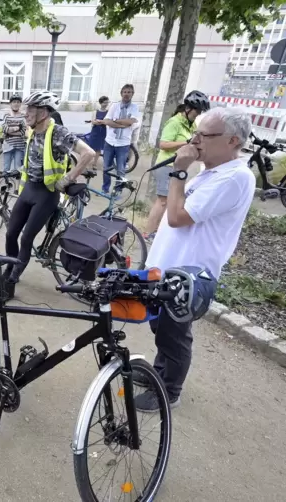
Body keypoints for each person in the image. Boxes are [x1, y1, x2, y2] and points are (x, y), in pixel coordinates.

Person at [135, 106, 255, 412]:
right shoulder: (213, 171)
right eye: (196, 132)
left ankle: (169, 391)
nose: (195, 139)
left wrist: (178, 171)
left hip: (191, 272)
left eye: (204, 134)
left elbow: (176, 216)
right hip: (171, 264)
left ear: (232, 141)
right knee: (161, 325)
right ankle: (159, 374)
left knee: (175, 334)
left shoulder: (233, 178)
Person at [0, 90, 96, 302]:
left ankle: (9, 286)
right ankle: (11, 270)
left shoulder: (57, 132)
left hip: (46, 194)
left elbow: (89, 154)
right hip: (29, 189)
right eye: (26, 108)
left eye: (30, 109)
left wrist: (68, 179)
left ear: (44, 112)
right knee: (10, 233)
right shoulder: (31, 131)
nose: (26, 112)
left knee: (26, 237)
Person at [145, 91, 210, 240]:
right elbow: (163, 144)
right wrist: (185, 143)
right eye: (197, 111)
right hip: (166, 166)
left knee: (171, 202)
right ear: (187, 109)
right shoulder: (175, 122)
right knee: (163, 201)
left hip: (177, 167)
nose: (198, 115)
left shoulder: (191, 123)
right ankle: (147, 233)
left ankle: (156, 232)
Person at [102, 83, 139, 193]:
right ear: (121, 93)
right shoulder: (114, 106)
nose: (126, 94)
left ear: (132, 94)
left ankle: (118, 190)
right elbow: (106, 121)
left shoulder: (134, 107)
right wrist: (122, 124)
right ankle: (105, 189)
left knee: (121, 169)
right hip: (110, 141)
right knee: (106, 167)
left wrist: (116, 121)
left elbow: (131, 121)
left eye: (129, 92)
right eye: (125, 92)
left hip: (123, 144)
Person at [1, 94, 27, 173]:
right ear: (10, 104)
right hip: (8, 145)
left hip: (19, 146)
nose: (16, 104)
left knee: (18, 169)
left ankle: (17, 185)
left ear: (20, 104)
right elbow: (5, 129)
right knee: (6, 168)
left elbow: (23, 131)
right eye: (14, 102)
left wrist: (10, 131)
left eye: (18, 102)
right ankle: (6, 184)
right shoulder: (6, 115)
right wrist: (17, 128)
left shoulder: (23, 116)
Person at [85, 96, 110, 170]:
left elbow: (107, 122)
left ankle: (94, 164)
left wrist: (99, 121)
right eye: (105, 102)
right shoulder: (95, 111)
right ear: (101, 103)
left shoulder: (108, 112)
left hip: (103, 132)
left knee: (98, 149)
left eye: (107, 102)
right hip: (95, 131)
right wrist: (100, 122)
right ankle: (86, 163)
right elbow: (93, 121)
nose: (106, 104)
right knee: (90, 148)